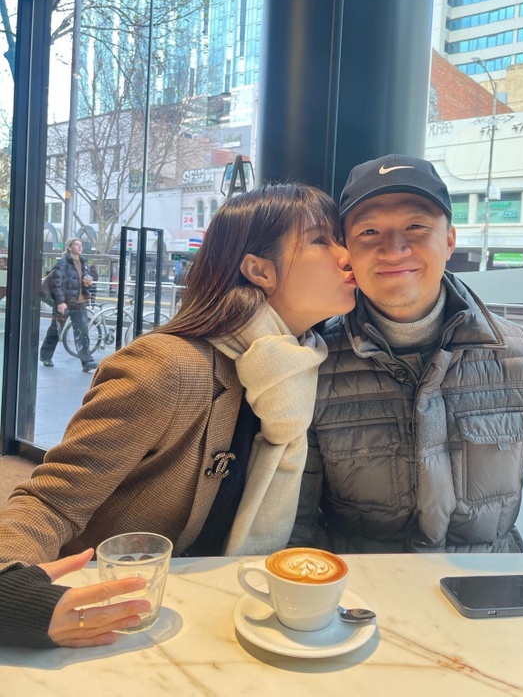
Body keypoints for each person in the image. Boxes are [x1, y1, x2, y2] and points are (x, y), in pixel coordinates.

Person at [0, 183, 355, 649]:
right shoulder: (169, 368)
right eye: (321, 240)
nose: (346, 255)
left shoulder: (302, 369)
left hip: (223, 611)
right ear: (259, 270)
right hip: (122, 618)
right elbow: (52, 502)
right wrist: (11, 591)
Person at [291, 155, 523, 555]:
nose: (394, 248)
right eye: (369, 231)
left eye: (416, 226)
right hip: (358, 592)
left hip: (489, 590)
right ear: (347, 251)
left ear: (449, 241)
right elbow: (293, 526)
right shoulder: (313, 361)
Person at [39, 238, 97, 373]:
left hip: (79, 303)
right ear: (69, 247)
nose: (80, 247)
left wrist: (88, 282)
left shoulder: (83, 263)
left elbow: (83, 280)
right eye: (76, 245)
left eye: (81, 245)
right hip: (65, 303)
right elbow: (56, 283)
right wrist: (60, 302)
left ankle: (87, 361)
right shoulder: (62, 263)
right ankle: (45, 356)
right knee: (56, 330)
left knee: (82, 332)